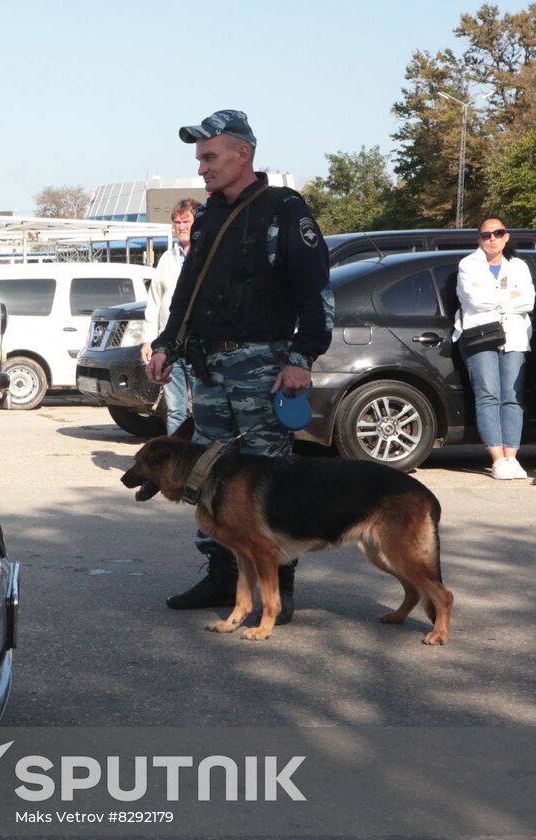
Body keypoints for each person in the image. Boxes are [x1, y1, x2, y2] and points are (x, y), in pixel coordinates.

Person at [144, 110, 334, 624]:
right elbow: (188, 289)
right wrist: (166, 342)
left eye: (209, 156)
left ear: (242, 154)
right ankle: (224, 578)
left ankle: (281, 584)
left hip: (261, 366)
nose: (201, 167)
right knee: (206, 477)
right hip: (206, 366)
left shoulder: (285, 211)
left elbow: (316, 293)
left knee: (269, 478)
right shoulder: (205, 217)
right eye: (199, 158)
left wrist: (302, 358)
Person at [454, 217, 536, 480]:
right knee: (488, 394)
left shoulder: (519, 266)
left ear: (506, 236)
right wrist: (509, 297)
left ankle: (512, 458)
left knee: (512, 397)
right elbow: (475, 301)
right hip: (480, 335)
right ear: (479, 239)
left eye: (497, 233)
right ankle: (497, 459)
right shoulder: (468, 265)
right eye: (486, 235)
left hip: (514, 336)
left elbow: (528, 301)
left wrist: (496, 300)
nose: (492, 239)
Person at [141, 198, 202, 433]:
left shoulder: (206, 257)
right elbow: (154, 301)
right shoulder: (168, 258)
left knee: (202, 409)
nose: (181, 227)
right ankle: (176, 462)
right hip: (170, 347)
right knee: (176, 409)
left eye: (186, 221)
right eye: (177, 222)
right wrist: (149, 340)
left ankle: (199, 461)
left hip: (198, 345)